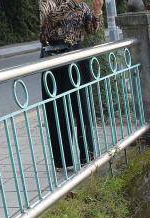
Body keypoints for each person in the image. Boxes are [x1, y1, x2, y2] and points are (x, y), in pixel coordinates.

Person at [39, 0, 103, 169]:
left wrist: (97, 12)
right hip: (53, 59)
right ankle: (63, 161)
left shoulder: (82, 5)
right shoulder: (48, 2)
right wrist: (72, 3)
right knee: (56, 111)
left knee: (82, 108)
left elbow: (91, 29)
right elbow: (48, 19)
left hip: (77, 58)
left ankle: (87, 156)